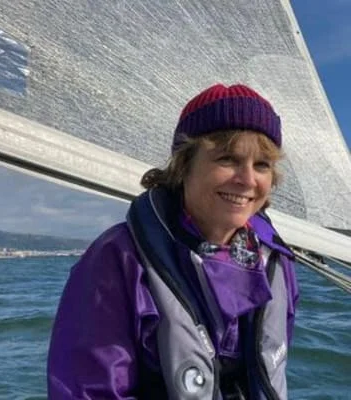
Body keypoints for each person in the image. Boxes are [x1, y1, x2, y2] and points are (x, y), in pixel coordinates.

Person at [47, 83, 299, 400]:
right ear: (184, 165)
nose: (248, 180)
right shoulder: (118, 260)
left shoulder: (276, 262)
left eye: (262, 165)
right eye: (227, 159)